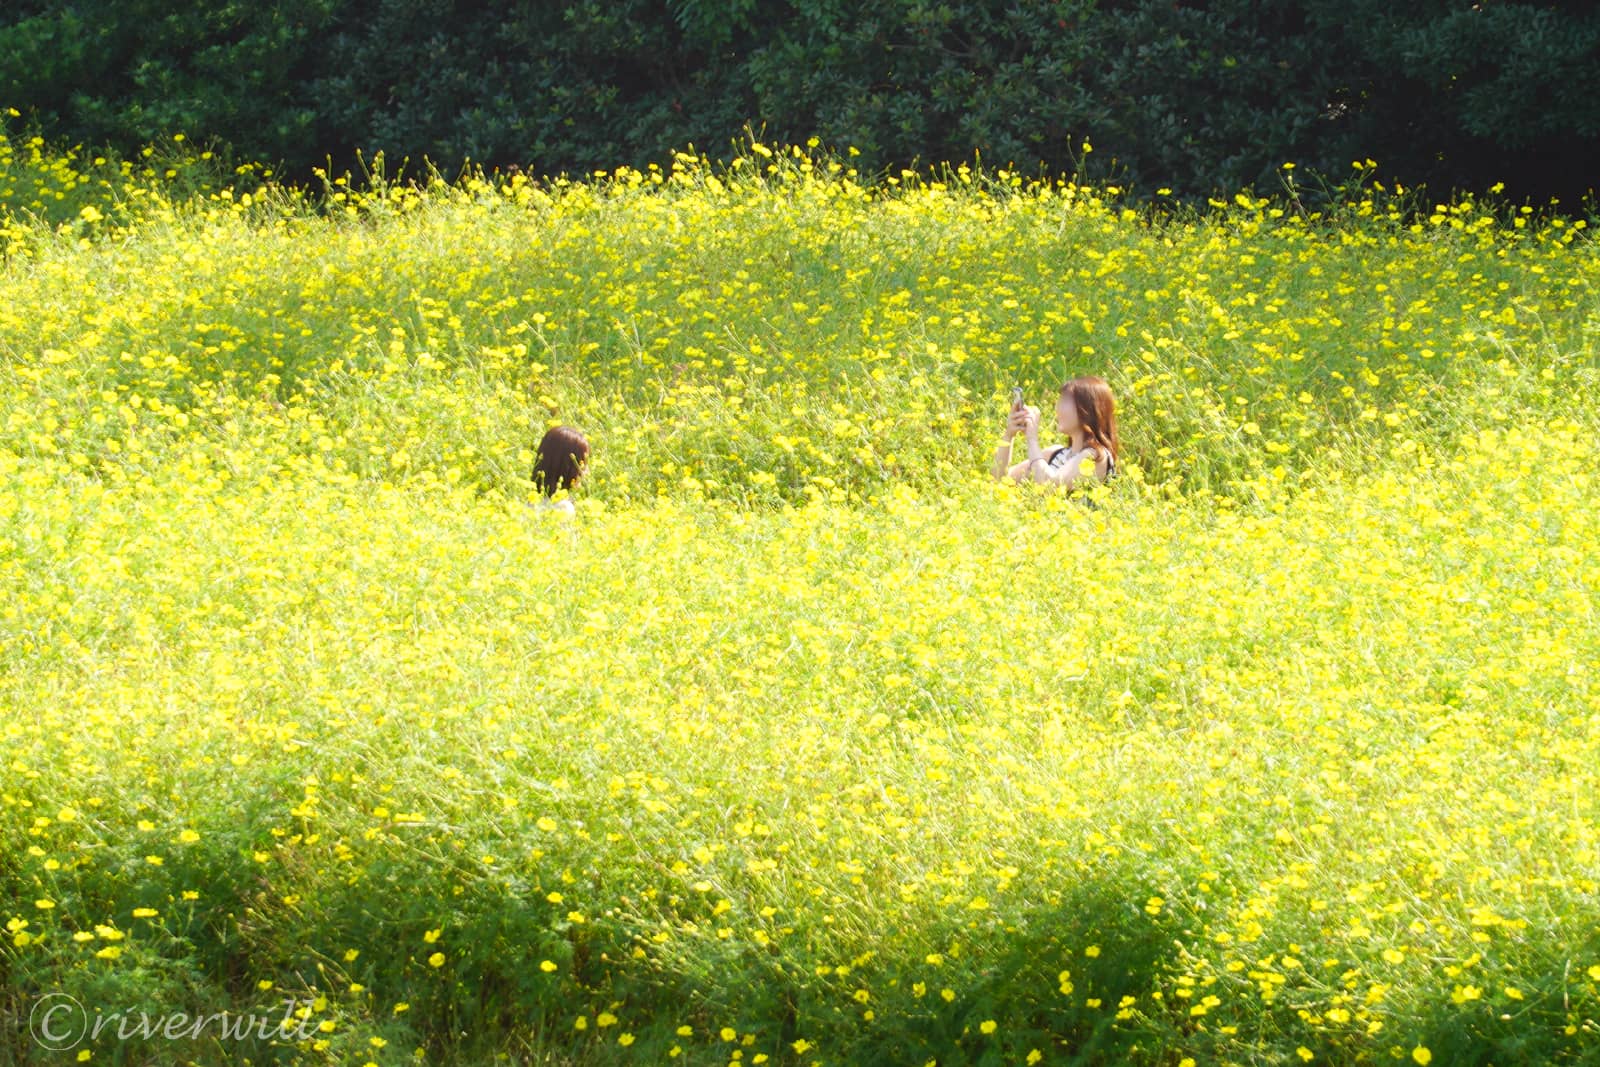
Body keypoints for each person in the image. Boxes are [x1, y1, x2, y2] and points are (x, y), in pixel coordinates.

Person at [992, 376, 1119, 488]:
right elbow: (1001, 479)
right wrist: (1009, 435)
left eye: (1065, 402)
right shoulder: (1054, 454)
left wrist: (1032, 439)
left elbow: (1050, 485)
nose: (1057, 409)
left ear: (1086, 410)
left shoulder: (1096, 456)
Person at [530, 425, 589, 514]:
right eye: (582, 463)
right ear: (568, 466)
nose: (586, 470)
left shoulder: (528, 502)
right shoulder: (563, 508)